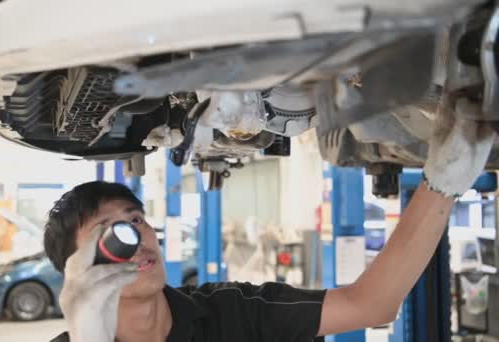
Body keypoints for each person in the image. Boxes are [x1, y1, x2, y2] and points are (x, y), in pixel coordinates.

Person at [43, 95, 496, 342]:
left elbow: (370, 305)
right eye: (109, 234)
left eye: (136, 220)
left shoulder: (232, 315)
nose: (135, 238)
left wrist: (442, 183)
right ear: (76, 270)